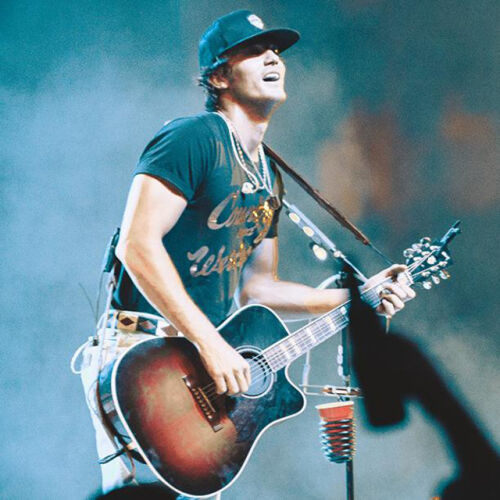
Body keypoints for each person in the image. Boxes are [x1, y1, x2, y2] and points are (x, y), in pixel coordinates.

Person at [78, 9, 415, 498]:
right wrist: (211, 344)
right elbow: (136, 243)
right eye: (255, 51)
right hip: (146, 355)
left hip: (199, 367)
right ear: (219, 77)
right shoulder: (194, 137)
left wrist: (360, 298)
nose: (273, 57)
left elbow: (259, 288)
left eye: (276, 50)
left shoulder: (268, 176)